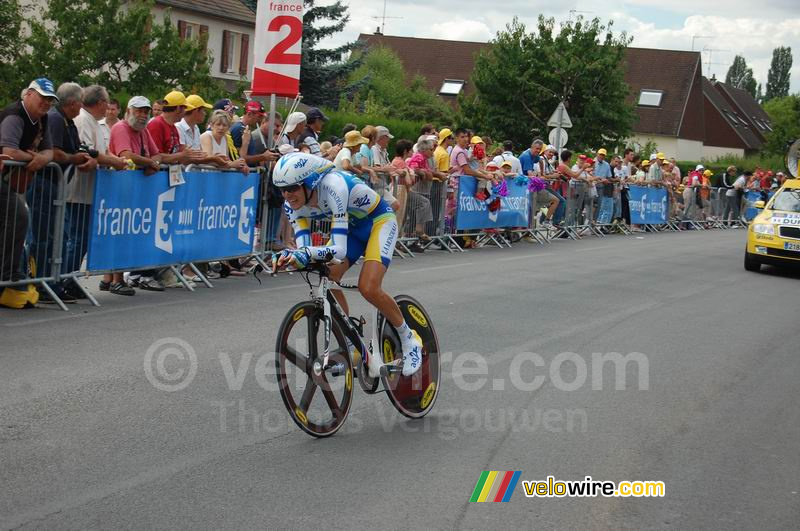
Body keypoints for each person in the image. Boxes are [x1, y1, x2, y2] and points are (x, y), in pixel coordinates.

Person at [271, 152, 425, 377]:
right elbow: (305, 249)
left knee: (368, 287)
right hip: (353, 230)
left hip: (378, 222)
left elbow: (339, 250)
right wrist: (292, 257)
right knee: (327, 276)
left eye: (292, 187)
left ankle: (409, 338)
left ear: (310, 182)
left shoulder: (334, 186)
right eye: (282, 189)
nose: (286, 194)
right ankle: (352, 345)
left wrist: (305, 254)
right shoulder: (291, 205)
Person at [72, 85, 131, 295]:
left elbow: (101, 151)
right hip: (76, 191)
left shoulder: (94, 122)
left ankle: (70, 279)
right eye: (106, 103)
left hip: (90, 191)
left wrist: (116, 160)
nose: (108, 107)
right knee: (75, 238)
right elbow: (88, 153)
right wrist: (114, 161)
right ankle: (66, 279)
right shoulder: (83, 120)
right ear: (100, 103)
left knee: (82, 239)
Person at [0, 78, 56, 290]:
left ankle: (8, 274)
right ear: (29, 94)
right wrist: (35, 158)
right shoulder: (14, 115)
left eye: (50, 99)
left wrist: (42, 158)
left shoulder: (43, 119)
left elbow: (49, 152)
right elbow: (9, 152)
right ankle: (8, 273)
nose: (47, 103)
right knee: (19, 216)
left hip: (7, 179)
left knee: (17, 218)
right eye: (43, 97)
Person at [108, 96, 166, 291]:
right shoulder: (121, 128)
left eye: (145, 111)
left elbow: (156, 154)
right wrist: (150, 162)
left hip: (134, 190)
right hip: (119, 188)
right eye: (139, 111)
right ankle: (116, 280)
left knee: (128, 234)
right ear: (129, 111)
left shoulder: (143, 131)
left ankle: (111, 279)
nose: (142, 115)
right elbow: (126, 155)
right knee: (119, 233)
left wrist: (153, 163)